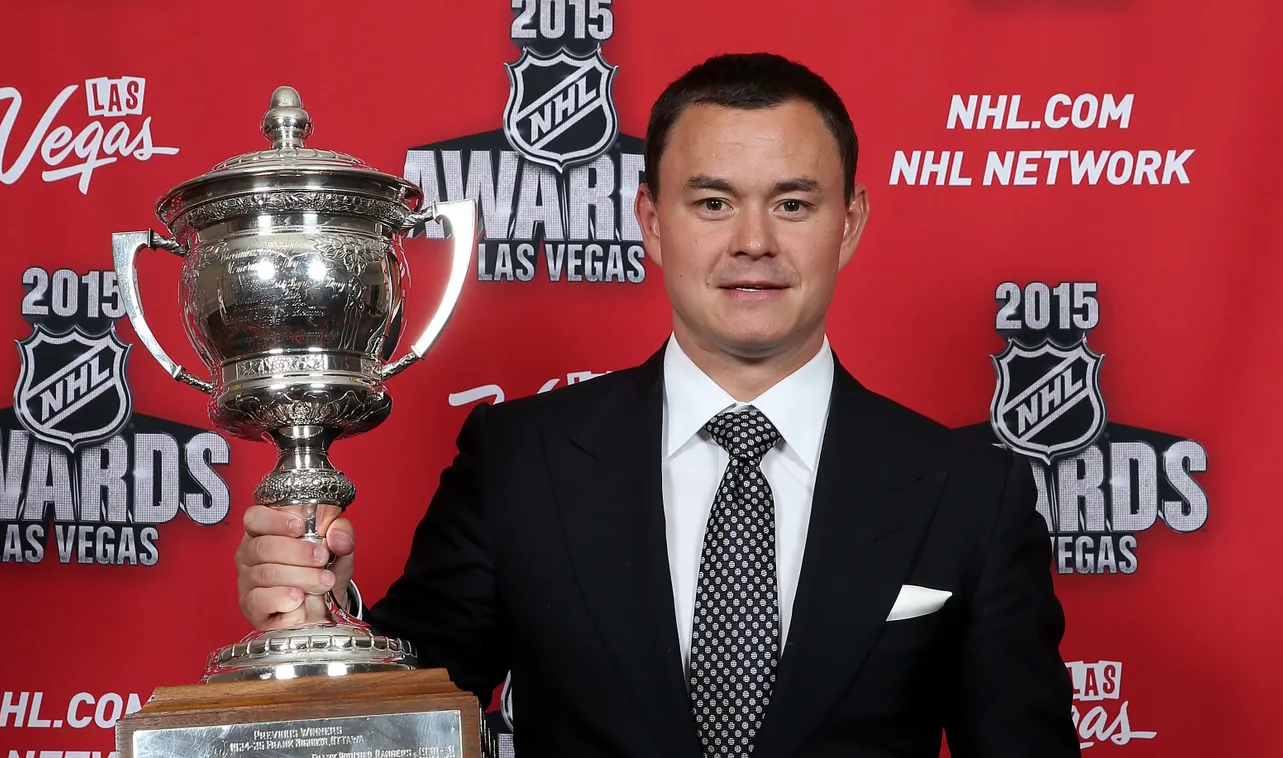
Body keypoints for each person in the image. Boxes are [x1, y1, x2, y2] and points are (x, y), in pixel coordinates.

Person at [235, 53, 1081, 757]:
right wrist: (324, 624)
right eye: (712, 202)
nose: (753, 240)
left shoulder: (970, 496)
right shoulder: (519, 463)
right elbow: (409, 717)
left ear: (849, 223)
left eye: (793, 203)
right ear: (649, 221)